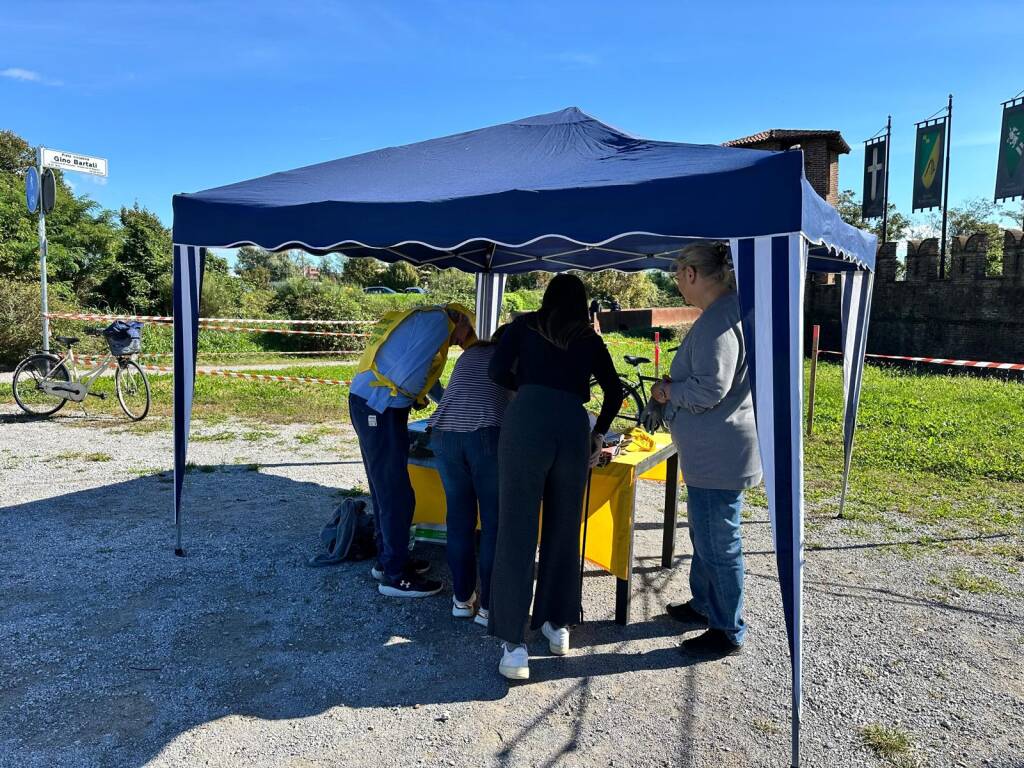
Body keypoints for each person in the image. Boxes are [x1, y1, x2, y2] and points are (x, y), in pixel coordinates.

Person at [487, 274, 622, 680]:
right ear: (582, 304)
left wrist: (527, 386)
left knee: (517, 530)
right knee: (564, 529)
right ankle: (557, 625)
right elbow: (613, 391)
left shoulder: (520, 326)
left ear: (546, 298)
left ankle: (514, 647)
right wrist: (598, 433)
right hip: (571, 425)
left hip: (526, 419)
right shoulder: (588, 337)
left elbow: (495, 371)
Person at [650, 241, 761, 658]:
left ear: (692, 274)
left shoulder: (717, 319)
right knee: (707, 532)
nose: (677, 284)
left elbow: (710, 388)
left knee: (718, 540)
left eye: (678, 275)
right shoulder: (727, 311)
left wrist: (666, 390)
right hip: (716, 452)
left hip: (719, 454)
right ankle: (705, 604)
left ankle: (726, 629)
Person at [349, 302, 476, 598]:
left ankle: (389, 559)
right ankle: (396, 575)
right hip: (380, 407)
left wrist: (443, 400)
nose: (461, 341)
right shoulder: (437, 324)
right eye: (465, 333)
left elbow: (423, 374)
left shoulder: (429, 319)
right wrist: (430, 401)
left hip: (374, 404)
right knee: (397, 493)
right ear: (461, 321)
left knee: (384, 489)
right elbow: (409, 374)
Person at [428, 325, 511, 627]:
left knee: (459, 521)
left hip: (443, 435)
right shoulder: (512, 358)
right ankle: (488, 606)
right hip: (484, 437)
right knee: (493, 524)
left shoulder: (472, 353)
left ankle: (462, 600)